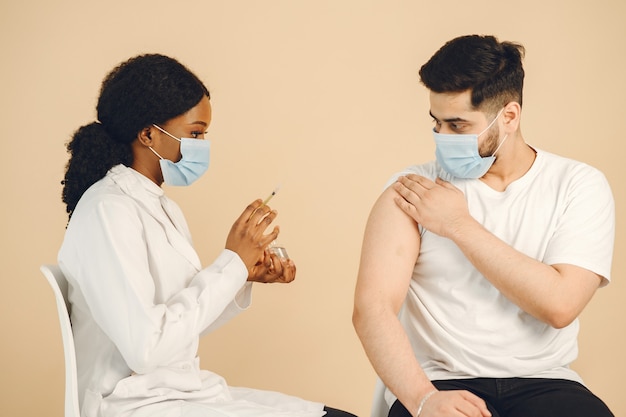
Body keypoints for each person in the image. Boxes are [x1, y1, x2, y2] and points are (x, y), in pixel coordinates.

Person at [58, 54, 355, 417]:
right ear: (149, 134)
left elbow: (180, 329)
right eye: (195, 133)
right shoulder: (109, 210)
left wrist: (242, 274)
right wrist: (231, 262)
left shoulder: (157, 205)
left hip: (175, 394)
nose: (202, 145)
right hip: (131, 403)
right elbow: (148, 348)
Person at [352, 35, 615, 417]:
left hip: (546, 383)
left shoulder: (578, 184)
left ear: (509, 116)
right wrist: (422, 398)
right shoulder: (413, 190)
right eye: (436, 122)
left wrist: (458, 224)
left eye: (457, 125)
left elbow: (560, 305)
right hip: (440, 382)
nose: (442, 137)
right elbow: (371, 308)